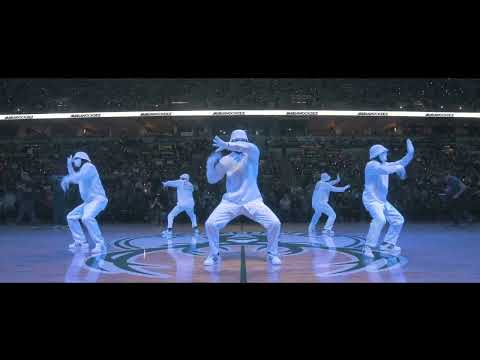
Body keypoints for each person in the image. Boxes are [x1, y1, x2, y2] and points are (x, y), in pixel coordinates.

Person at [203, 129, 282, 266]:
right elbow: (212, 179)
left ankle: (272, 253)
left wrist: (227, 145)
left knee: (275, 223)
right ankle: (214, 254)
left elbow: (246, 147)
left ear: (246, 141)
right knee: (210, 224)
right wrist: (209, 165)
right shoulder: (225, 160)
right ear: (232, 141)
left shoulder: (252, 153)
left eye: (243, 141)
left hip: (253, 201)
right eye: (237, 141)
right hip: (230, 202)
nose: (240, 144)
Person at [362, 139, 415, 258]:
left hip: (381, 201)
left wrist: (410, 154)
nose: (386, 155)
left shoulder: (384, 164)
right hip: (371, 200)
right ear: (377, 155)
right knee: (380, 220)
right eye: (383, 153)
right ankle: (367, 247)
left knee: (398, 219)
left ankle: (387, 244)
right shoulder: (371, 165)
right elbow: (386, 170)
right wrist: (399, 168)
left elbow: (401, 162)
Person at [61, 152, 108, 253]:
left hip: (97, 199)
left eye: (76, 160)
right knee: (71, 217)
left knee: (87, 218)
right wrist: (69, 166)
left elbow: (77, 177)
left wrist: (66, 179)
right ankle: (81, 242)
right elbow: (75, 178)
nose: (75, 162)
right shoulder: (84, 171)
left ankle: (100, 244)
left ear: (82, 159)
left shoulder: (89, 167)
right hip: (89, 202)